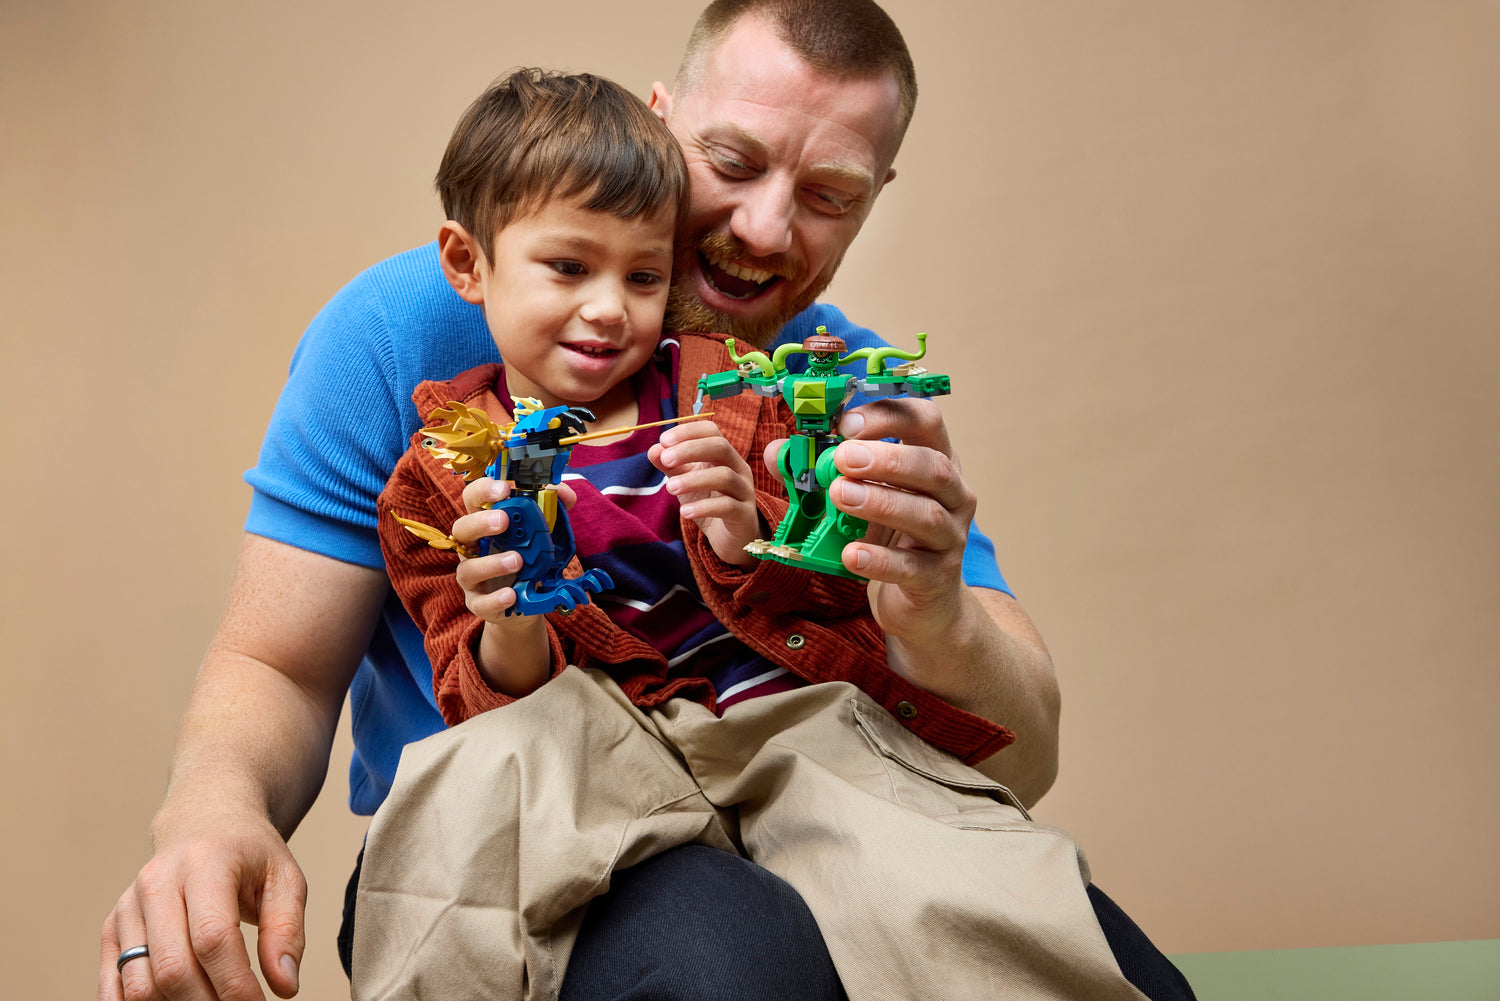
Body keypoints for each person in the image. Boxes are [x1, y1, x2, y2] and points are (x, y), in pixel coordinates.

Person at [100, 2, 1194, 1000]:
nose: (765, 228)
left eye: (828, 196)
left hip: (796, 787)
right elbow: (281, 664)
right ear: (660, 125)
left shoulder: (819, 385)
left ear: (875, 198)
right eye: (733, 162)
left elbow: (1016, 761)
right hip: (531, 822)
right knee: (738, 953)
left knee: (1094, 960)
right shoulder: (405, 336)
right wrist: (212, 810)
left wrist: (932, 611)